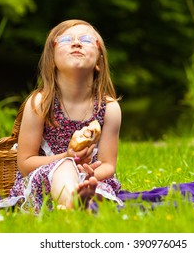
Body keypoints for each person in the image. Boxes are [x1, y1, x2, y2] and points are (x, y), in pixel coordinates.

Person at [7, 19, 123, 212]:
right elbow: (25, 163)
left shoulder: (109, 108)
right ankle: (72, 203)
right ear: (52, 59)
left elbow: (108, 164)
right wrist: (66, 158)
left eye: (86, 39)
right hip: (43, 179)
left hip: (88, 177)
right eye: (66, 39)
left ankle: (84, 200)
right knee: (64, 167)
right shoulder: (40, 103)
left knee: (97, 191)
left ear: (99, 62)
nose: (76, 42)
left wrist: (88, 173)